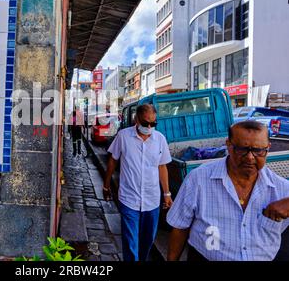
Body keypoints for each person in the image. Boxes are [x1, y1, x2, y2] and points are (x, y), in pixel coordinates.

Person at [167, 120, 289, 261]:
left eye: (258, 151)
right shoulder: (198, 179)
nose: (250, 157)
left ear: (268, 148)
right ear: (229, 146)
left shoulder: (282, 188)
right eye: (242, 150)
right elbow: (180, 227)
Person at [103, 104, 173, 261]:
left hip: (152, 200)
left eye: (153, 124)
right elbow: (113, 161)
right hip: (129, 199)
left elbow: (162, 166)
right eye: (145, 123)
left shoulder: (160, 139)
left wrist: (167, 193)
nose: (149, 127)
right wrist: (106, 185)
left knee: (147, 241)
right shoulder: (123, 136)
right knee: (130, 243)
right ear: (136, 119)